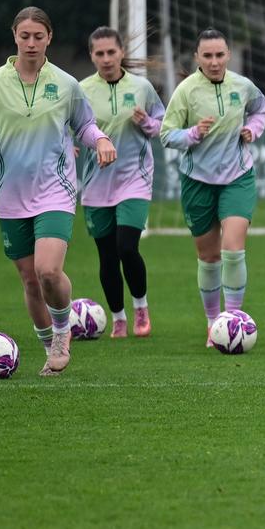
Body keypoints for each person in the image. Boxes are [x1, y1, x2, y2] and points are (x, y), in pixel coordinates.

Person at [0, 7, 116, 376]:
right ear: (14, 36)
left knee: (48, 271)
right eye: (25, 35)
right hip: (10, 196)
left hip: (56, 192)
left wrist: (102, 140)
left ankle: (63, 334)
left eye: (38, 36)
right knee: (30, 279)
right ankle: (49, 345)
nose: (31, 42)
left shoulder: (65, 84)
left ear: (50, 38)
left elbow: (85, 125)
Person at [161, 28, 265, 347]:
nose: (214, 61)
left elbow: (261, 109)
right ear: (197, 57)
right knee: (209, 258)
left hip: (237, 177)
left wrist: (252, 128)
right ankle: (213, 324)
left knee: (233, 250)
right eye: (207, 56)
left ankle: (232, 320)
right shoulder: (186, 91)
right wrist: (193, 133)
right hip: (198, 183)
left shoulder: (242, 85)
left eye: (219, 55)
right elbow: (167, 135)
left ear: (228, 55)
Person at [79, 26, 164, 338]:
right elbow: (69, 126)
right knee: (107, 256)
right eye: (99, 53)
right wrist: (72, 142)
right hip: (95, 184)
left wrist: (148, 123)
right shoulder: (81, 90)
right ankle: (118, 317)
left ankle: (140, 306)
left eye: (111, 52)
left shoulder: (141, 87)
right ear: (91, 56)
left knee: (127, 247)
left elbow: (162, 124)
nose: (105, 58)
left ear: (121, 53)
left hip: (134, 179)